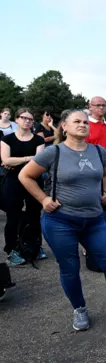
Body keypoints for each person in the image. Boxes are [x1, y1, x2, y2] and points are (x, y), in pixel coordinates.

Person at [19, 109, 106, 330]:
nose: (82, 125)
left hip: (94, 220)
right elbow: (25, 175)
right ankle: (79, 309)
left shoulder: (98, 152)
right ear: (64, 127)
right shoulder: (54, 152)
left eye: (85, 122)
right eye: (76, 122)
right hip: (60, 221)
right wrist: (43, 199)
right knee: (70, 268)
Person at [1, 108, 45, 265]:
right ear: (17, 120)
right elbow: (6, 161)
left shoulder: (39, 141)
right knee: (13, 216)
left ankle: (35, 246)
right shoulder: (8, 140)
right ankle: (11, 249)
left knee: (34, 214)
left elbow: (40, 162)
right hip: (13, 182)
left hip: (33, 180)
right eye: (24, 118)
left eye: (30, 119)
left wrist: (16, 160)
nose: (27, 121)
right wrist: (29, 158)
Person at [85, 96, 106, 187]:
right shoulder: (85, 126)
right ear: (90, 106)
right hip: (93, 173)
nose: (101, 107)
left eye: (103, 105)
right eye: (98, 105)